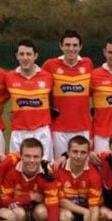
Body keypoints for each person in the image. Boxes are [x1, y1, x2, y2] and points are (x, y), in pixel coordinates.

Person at [0, 138, 61, 221]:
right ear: (20, 155)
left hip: (36, 213)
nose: (31, 160)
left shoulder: (48, 173)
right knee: (15, 213)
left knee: (43, 211)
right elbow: (1, 203)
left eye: (36, 156)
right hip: (19, 212)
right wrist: (29, 197)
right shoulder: (12, 170)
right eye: (27, 156)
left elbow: (53, 209)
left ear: (42, 157)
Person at [42, 30, 95, 159]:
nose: (71, 49)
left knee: (83, 164)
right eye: (67, 45)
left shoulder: (88, 64)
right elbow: (39, 89)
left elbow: (93, 92)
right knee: (61, 166)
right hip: (59, 128)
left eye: (75, 45)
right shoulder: (50, 65)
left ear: (80, 47)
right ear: (61, 46)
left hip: (83, 127)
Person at [54, 136, 104, 221]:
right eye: (75, 152)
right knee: (64, 218)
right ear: (68, 152)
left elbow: (94, 207)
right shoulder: (58, 169)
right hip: (69, 211)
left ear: (88, 154)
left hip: (86, 211)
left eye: (83, 152)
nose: (78, 156)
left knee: (105, 214)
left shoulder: (94, 175)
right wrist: (85, 211)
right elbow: (60, 200)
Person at [6, 39, 54, 161]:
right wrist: (13, 113)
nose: (25, 58)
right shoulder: (9, 77)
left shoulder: (47, 77)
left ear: (35, 56)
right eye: (22, 54)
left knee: (44, 169)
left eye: (29, 54)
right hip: (18, 131)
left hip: (41, 131)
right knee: (17, 168)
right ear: (17, 56)